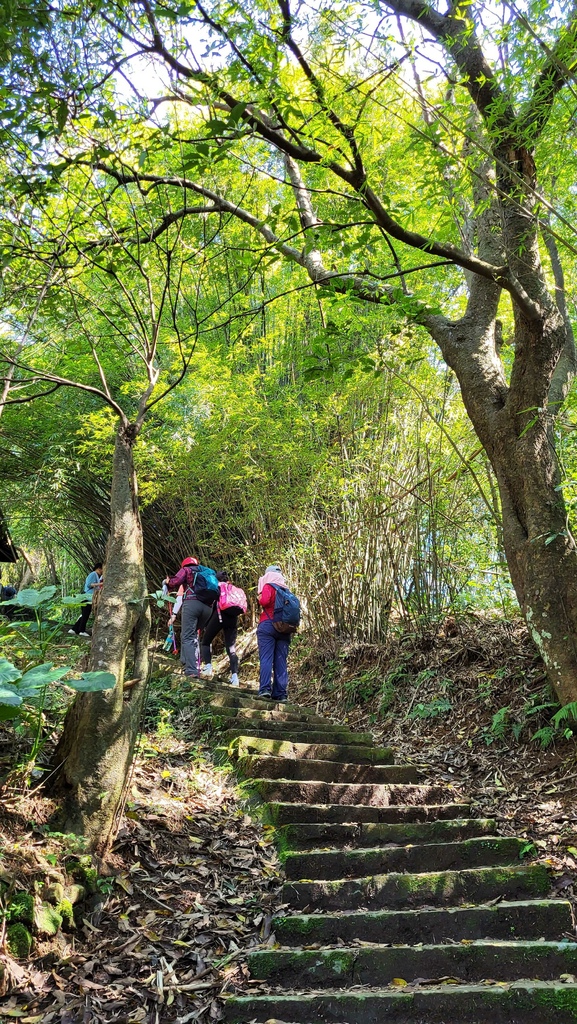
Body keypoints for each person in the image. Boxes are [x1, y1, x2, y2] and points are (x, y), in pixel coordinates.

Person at [163, 557, 218, 679]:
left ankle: (192, 670)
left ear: (184, 564)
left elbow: (175, 582)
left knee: (188, 636)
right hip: (208, 609)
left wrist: (167, 582)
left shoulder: (187, 570)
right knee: (192, 635)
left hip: (192, 604)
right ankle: (188, 662)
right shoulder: (206, 572)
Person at [200, 571, 247, 687]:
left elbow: (212, 604)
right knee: (231, 649)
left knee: (205, 642)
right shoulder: (234, 588)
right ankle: (235, 677)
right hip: (233, 619)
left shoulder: (217, 587)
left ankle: (208, 667)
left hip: (220, 616)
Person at [256, 564, 292, 702]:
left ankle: (265, 689)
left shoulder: (268, 586)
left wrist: (259, 598)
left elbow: (264, 601)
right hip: (284, 628)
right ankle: (281, 693)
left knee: (266, 658)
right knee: (281, 660)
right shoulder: (286, 590)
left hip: (268, 625)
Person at [68, 563, 103, 637]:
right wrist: (101, 584)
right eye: (102, 569)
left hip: (87, 598)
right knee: (85, 615)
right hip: (87, 598)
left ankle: (74, 629)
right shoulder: (93, 574)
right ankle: (82, 630)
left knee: (84, 614)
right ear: (99, 568)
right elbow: (89, 585)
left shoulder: (96, 576)